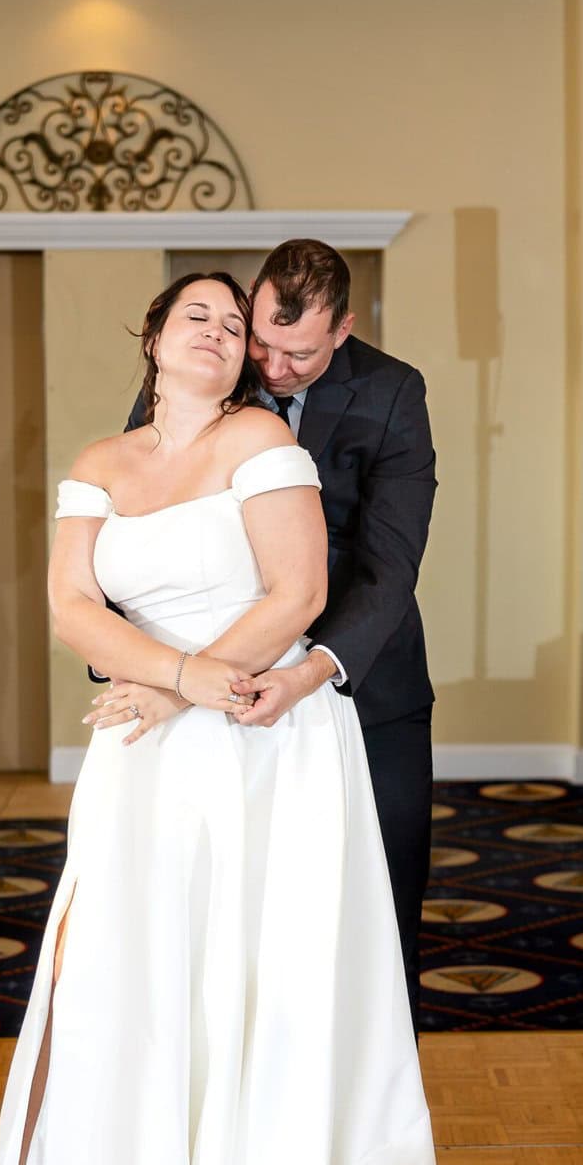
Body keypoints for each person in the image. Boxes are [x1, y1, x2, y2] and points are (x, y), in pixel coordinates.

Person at [0, 271, 456, 1165]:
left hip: (264, 732)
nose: (220, 334)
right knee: (134, 959)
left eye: (233, 322)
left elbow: (301, 592)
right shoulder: (100, 462)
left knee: (263, 963)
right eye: (199, 318)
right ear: (153, 338)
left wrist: (197, 687)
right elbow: (73, 605)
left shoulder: (265, 440)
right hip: (148, 742)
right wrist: (177, 687)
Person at [109, 240, 437, 1026]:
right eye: (263, 342)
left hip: (362, 683)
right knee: (240, 918)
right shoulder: (207, 374)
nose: (275, 367)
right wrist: (150, 667)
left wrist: (311, 669)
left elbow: (391, 563)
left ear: (344, 329)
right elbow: (138, 515)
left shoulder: (392, 392)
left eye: (300, 353)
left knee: (381, 910)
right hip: (213, 688)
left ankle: (372, 1122)